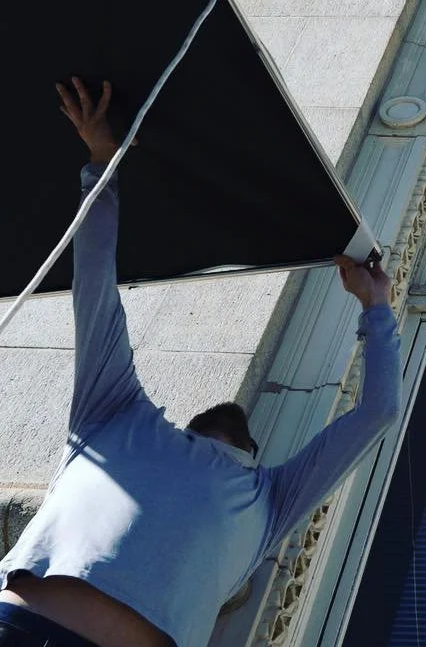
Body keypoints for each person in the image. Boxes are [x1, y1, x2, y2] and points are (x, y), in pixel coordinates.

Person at [0, 78, 401, 647]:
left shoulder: (272, 500)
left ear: (250, 457)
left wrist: (378, 308)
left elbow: (379, 413)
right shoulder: (113, 414)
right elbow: (95, 291)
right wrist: (102, 164)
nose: (237, 416)